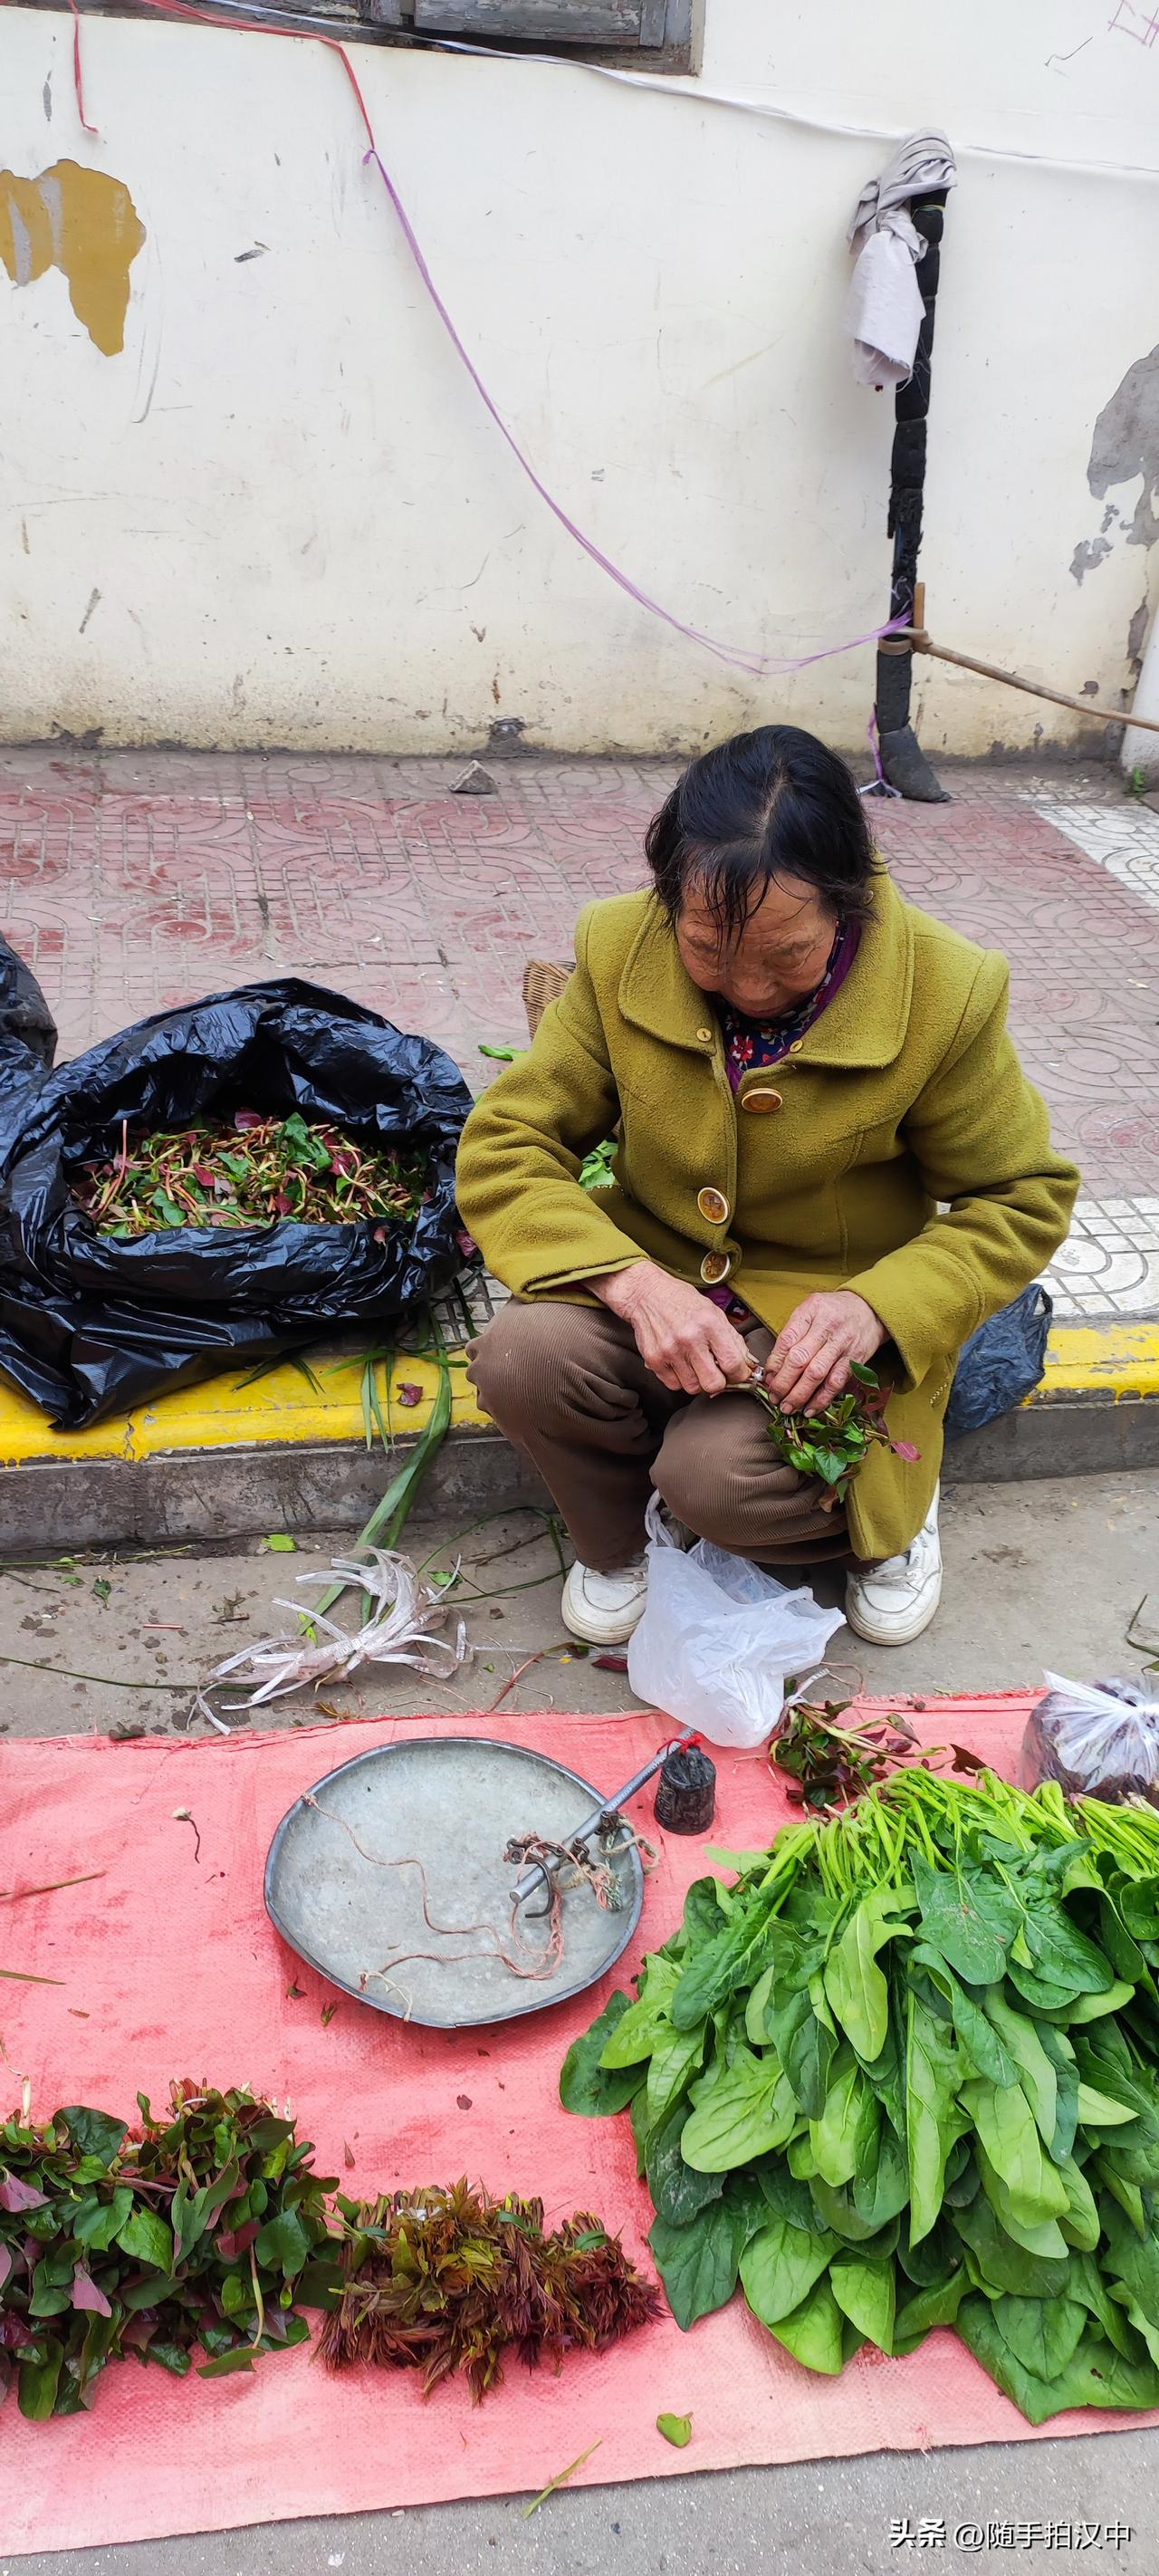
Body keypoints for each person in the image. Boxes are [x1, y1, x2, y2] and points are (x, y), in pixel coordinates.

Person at [456, 726, 1078, 1649]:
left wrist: (877, 1304)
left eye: (786, 955)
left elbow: (1018, 1195)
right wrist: (632, 1285)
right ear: (669, 902)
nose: (746, 988)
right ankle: (619, 1538)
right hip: (664, 1287)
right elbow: (508, 1142)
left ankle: (894, 1512)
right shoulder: (617, 946)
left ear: (846, 903)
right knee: (521, 1357)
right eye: (706, 948)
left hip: (830, 1325)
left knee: (719, 1484)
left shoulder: (944, 994)